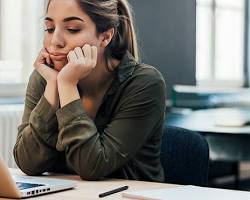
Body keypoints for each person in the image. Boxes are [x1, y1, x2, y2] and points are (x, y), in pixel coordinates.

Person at [13, 0, 166, 182]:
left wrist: (67, 86)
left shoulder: (144, 83)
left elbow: (91, 167)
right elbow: (27, 163)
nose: (55, 42)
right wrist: (53, 87)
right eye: (50, 28)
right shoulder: (46, 78)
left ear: (105, 37)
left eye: (72, 29)